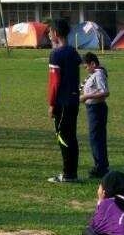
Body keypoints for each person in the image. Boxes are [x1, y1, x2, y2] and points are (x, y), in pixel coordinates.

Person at [47, 19, 82, 183]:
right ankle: (71, 172)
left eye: (49, 32)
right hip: (74, 100)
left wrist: (51, 104)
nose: (48, 35)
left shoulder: (56, 54)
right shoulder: (74, 52)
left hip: (62, 102)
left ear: (55, 33)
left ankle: (68, 174)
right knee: (71, 136)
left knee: (63, 137)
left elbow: (55, 82)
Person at [81, 52, 110, 178]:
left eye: (86, 66)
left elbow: (105, 92)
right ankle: (101, 165)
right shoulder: (93, 74)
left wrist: (87, 96)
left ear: (93, 64)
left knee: (96, 139)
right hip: (92, 109)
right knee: (96, 138)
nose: (85, 68)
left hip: (97, 109)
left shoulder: (98, 74)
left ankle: (101, 168)